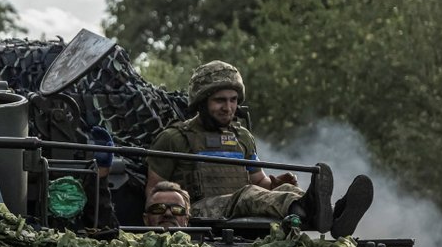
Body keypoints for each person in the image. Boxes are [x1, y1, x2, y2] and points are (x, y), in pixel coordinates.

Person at [145, 60, 373, 237]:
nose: (228, 107)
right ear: (201, 102)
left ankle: (334, 215)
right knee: (247, 195)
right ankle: (307, 207)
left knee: (286, 191)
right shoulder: (174, 138)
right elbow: (153, 193)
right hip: (195, 212)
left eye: (233, 100)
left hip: (237, 205)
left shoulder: (242, 137)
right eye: (220, 101)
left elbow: (260, 183)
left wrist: (276, 183)